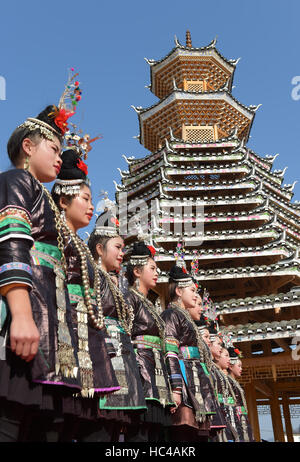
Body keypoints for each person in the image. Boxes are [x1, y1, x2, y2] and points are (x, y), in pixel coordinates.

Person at [0, 75, 82, 442]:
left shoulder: (43, 196)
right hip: (27, 316)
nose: (59, 156)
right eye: (54, 146)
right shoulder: (16, 181)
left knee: (40, 422)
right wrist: (20, 314)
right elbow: (12, 242)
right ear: (28, 146)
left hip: (49, 323)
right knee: (12, 419)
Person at [50, 139, 122, 442]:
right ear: (64, 200)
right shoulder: (54, 235)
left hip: (85, 341)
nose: (91, 206)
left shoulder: (76, 243)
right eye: (85, 198)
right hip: (62, 335)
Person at [88, 206, 147, 441]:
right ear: (100, 249)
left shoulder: (113, 282)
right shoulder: (92, 274)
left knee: (114, 428)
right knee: (100, 427)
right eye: (118, 247)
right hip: (103, 355)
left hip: (121, 358)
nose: (122, 253)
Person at [124, 240, 173, 441]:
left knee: (156, 433)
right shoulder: (129, 298)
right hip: (140, 370)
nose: (157, 272)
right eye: (152, 268)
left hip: (157, 372)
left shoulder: (150, 304)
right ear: (137, 271)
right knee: (140, 432)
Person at [160, 264, 214, 442]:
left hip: (195, 380)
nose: (196, 295)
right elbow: (170, 351)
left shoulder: (185, 318)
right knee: (184, 435)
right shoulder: (171, 314)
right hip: (183, 383)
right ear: (178, 291)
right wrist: (176, 388)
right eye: (192, 290)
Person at [227, 346, 255, 442]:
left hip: (241, 418)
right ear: (230, 366)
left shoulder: (235, 383)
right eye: (239, 366)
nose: (241, 369)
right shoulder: (228, 382)